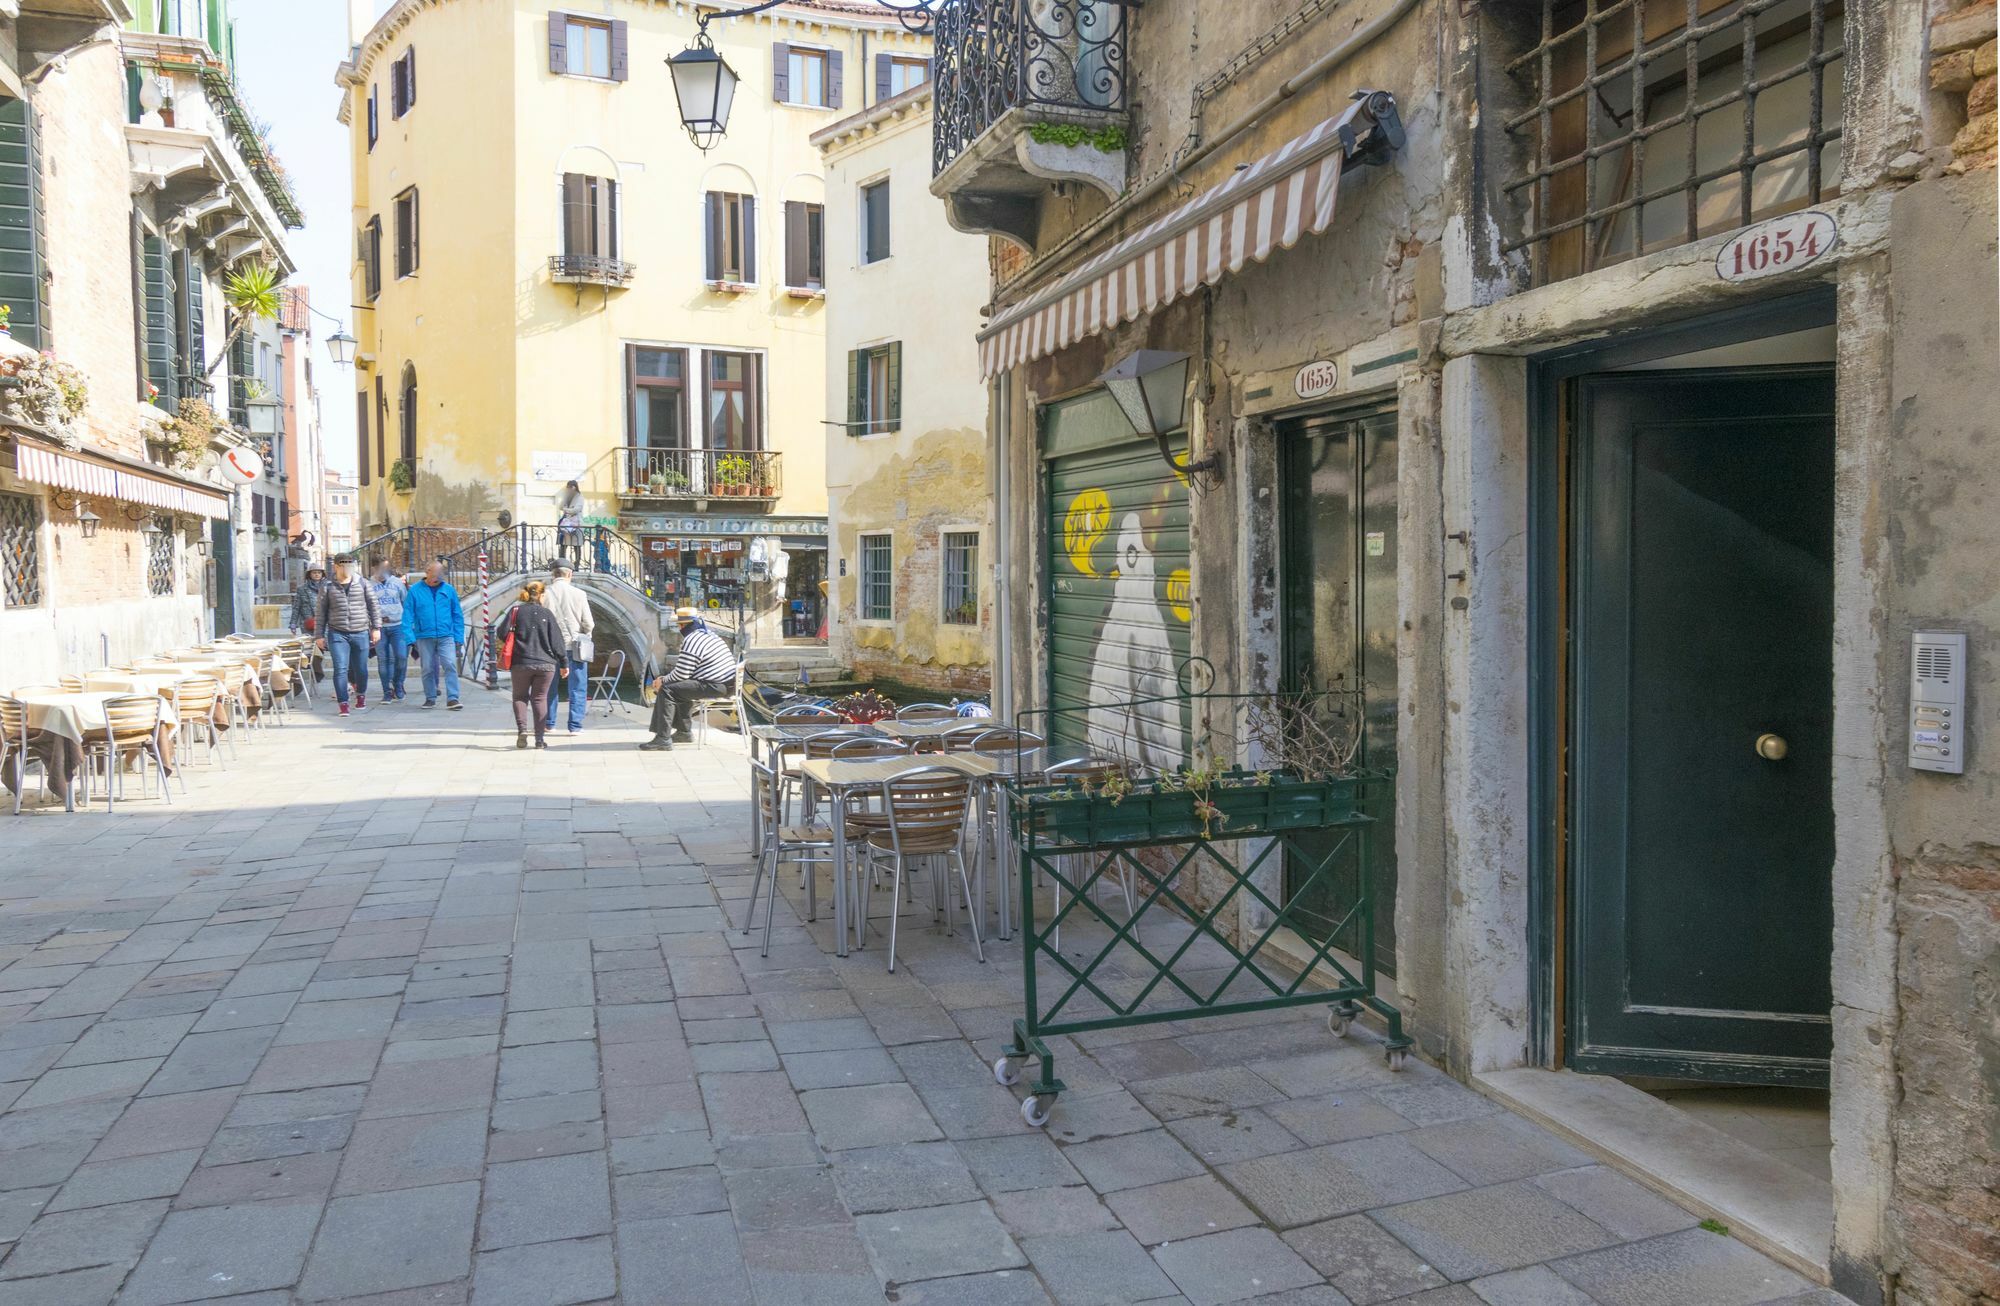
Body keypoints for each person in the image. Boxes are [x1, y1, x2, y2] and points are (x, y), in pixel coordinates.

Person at [642, 609, 738, 751]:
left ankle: (663, 738)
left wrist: (662, 680)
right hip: (726, 684)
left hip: (716, 685)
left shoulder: (692, 639)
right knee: (678, 687)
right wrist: (667, 679)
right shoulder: (709, 635)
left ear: (681, 626)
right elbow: (685, 674)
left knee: (667, 689)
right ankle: (683, 732)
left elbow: (682, 674)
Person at [502, 580, 566, 749]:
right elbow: (557, 642)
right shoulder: (547, 614)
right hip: (546, 665)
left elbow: (502, 633)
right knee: (539, 699)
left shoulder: (515, 611)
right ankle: (539, 739)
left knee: (519, 697)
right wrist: (564, 663)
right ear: (541, 595)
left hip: (521, 662)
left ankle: (522, 730)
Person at [314, 554, 380, 717]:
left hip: (360, 631)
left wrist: (376, 627)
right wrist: (319, 635)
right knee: (340, 669)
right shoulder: (327, 586)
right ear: (336, 566)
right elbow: (321, 612)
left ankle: (361, 695)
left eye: (351, 565)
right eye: (344, 565)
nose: (348, 568)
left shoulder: (363, 583)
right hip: (337, 632)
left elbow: (373, 606)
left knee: (361, 669)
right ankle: (343, 703)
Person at [402, 560, 466, 710]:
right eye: (435, 573)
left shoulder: (449, 590)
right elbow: (407, 615)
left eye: (440, 574)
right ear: (427, 572)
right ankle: (430, 697)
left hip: (446, 635)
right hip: (424, 635)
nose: (438, 577)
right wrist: (410, 637)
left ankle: (453, 698)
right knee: (427, 668)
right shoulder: (415, 591)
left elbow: (457, 614)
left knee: (450, 664)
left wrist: (458, 636)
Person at [540, 563, 594, 735]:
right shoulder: (579, 594)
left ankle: (549, 724)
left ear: (553, 574)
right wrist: (585, 635)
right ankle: (575, 726)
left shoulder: (544, 594)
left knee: (549, 686)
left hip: (550, 647)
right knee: (578, 687)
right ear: (570, 574)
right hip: (574, 647)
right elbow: (589, 623)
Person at [370, 558, 411, 702]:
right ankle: (386, 691)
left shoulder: (397, 583)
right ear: (374, 568)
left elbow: (405, 602)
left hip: (397, 625)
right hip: (379, 627)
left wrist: (408, 623)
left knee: (401, 656)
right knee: (383, 660)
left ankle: (398, 683)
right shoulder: (369, 584)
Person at [291, 562, 328, 682]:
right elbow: (296, 607)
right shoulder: (302, 589)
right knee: (312, 648)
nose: (317, 575)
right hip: (308, 623)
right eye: (314, 573)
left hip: (324, 623)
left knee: (320, 647)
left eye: (319, 572)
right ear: (309, 574)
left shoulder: (328, 587)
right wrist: (293, 623)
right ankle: (315, 671)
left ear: (322, 574)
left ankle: (316, 670)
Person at [555, 480, 585, 566]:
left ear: (574, 487)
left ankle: (576, 565)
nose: (568, 489)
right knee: (563, 544)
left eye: (569, 488)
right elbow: (560, 506)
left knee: (577, 545)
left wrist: (566, 510)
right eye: (567, 488)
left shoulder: (580, 497)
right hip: (566, 524)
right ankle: (562, 563)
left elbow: (577, 509)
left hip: (576, 524)